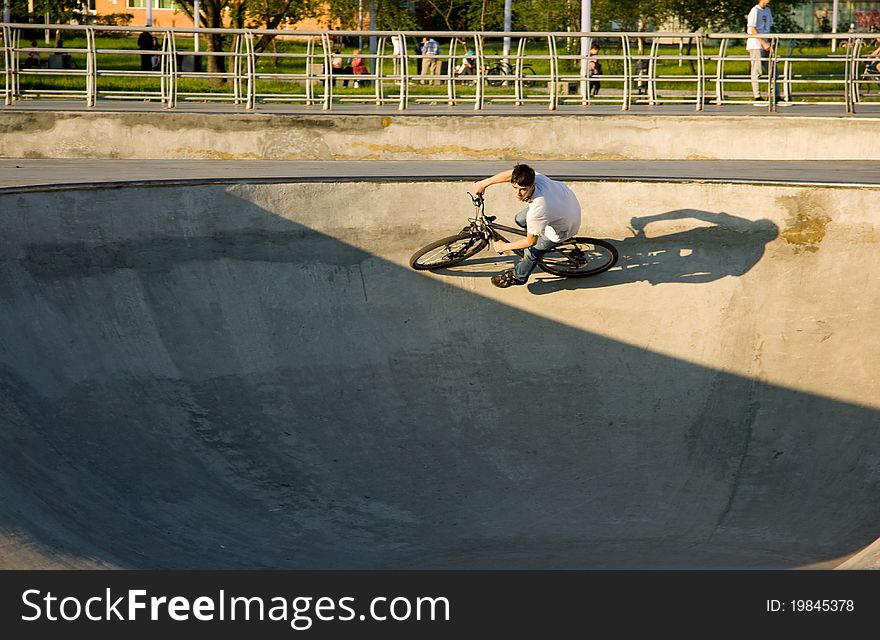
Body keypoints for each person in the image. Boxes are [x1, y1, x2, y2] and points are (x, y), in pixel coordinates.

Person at [472, 164, 582, 288]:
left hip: (564, 226)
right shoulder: (533, 177)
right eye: (515, 187)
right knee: (519, 219)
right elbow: (510, 174)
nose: (518, 193)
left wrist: (505, 246)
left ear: (533, 185)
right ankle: (535, 230)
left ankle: (519, 276)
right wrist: (483, 183)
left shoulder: (538, 210)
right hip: (565, 201)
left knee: (530, 251)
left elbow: (531, 242)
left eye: (523, 189)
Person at [746, 0, 780, 102]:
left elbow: (768, 28)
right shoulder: (755, 11)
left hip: (766, 44)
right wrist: (763, 42)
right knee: (757, 70)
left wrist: (769, 43)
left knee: (773, 70)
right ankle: (757, 96)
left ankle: (776, 95)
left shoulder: (768, 11)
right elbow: (752, 29)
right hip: (756, 44)